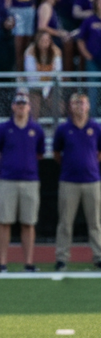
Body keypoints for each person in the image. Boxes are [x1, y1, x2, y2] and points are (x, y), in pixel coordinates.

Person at [52, 92, 101, 271]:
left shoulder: (96, 128)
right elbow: (56, 153)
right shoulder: (63, 129)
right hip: (69, 182)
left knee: (95, 223)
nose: (79, 107)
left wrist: (88, 164)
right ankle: (61, 258)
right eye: (75, 103)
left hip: (92, 181)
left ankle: (99, 257)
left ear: (88, 106)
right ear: (70, 106)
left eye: (82, 103)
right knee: (65, 223)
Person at [0, 90, 44, 272]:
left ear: (29, 107)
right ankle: (2, 262)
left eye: (23, 103)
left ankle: (28, 262)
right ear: (13, 106)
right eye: (18, 103)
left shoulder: (36, 130)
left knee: (29, 222)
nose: (20, 106)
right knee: (4, 222)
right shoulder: (4, 128)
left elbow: (40, 153)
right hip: (7, 180)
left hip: (30, 181)